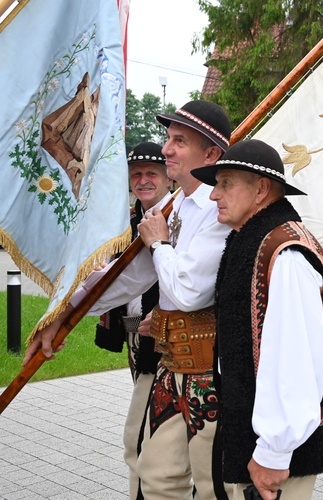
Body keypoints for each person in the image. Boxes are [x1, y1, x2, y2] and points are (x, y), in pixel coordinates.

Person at [25, 100, 234, 499]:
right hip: (174, 366)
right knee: (156, 477)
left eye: (179, 141)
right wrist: (63, 313)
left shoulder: (217, 209)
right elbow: (125, 276)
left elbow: (189, 292)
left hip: (213, 371)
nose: (167, 149)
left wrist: (158, 244)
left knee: (212, 488)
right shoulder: (176, 208)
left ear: (211, 154)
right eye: (168, 139)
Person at [191, 139, 323, 500]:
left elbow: (294, 361)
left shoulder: (285, 253)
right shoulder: (256, 241)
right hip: (260, 437)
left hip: (280, 450)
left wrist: (273, 451)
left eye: (225, 183)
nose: (213, 195)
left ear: (261, 189)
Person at [93, 142, 172, 499]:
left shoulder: (180, 219)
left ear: (168, 177)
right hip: (135, 332)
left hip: (172, 337)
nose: (142, 180)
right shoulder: (123, 223)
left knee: (145, 435)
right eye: (136, 174)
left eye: (151, 173)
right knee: (146, 426)